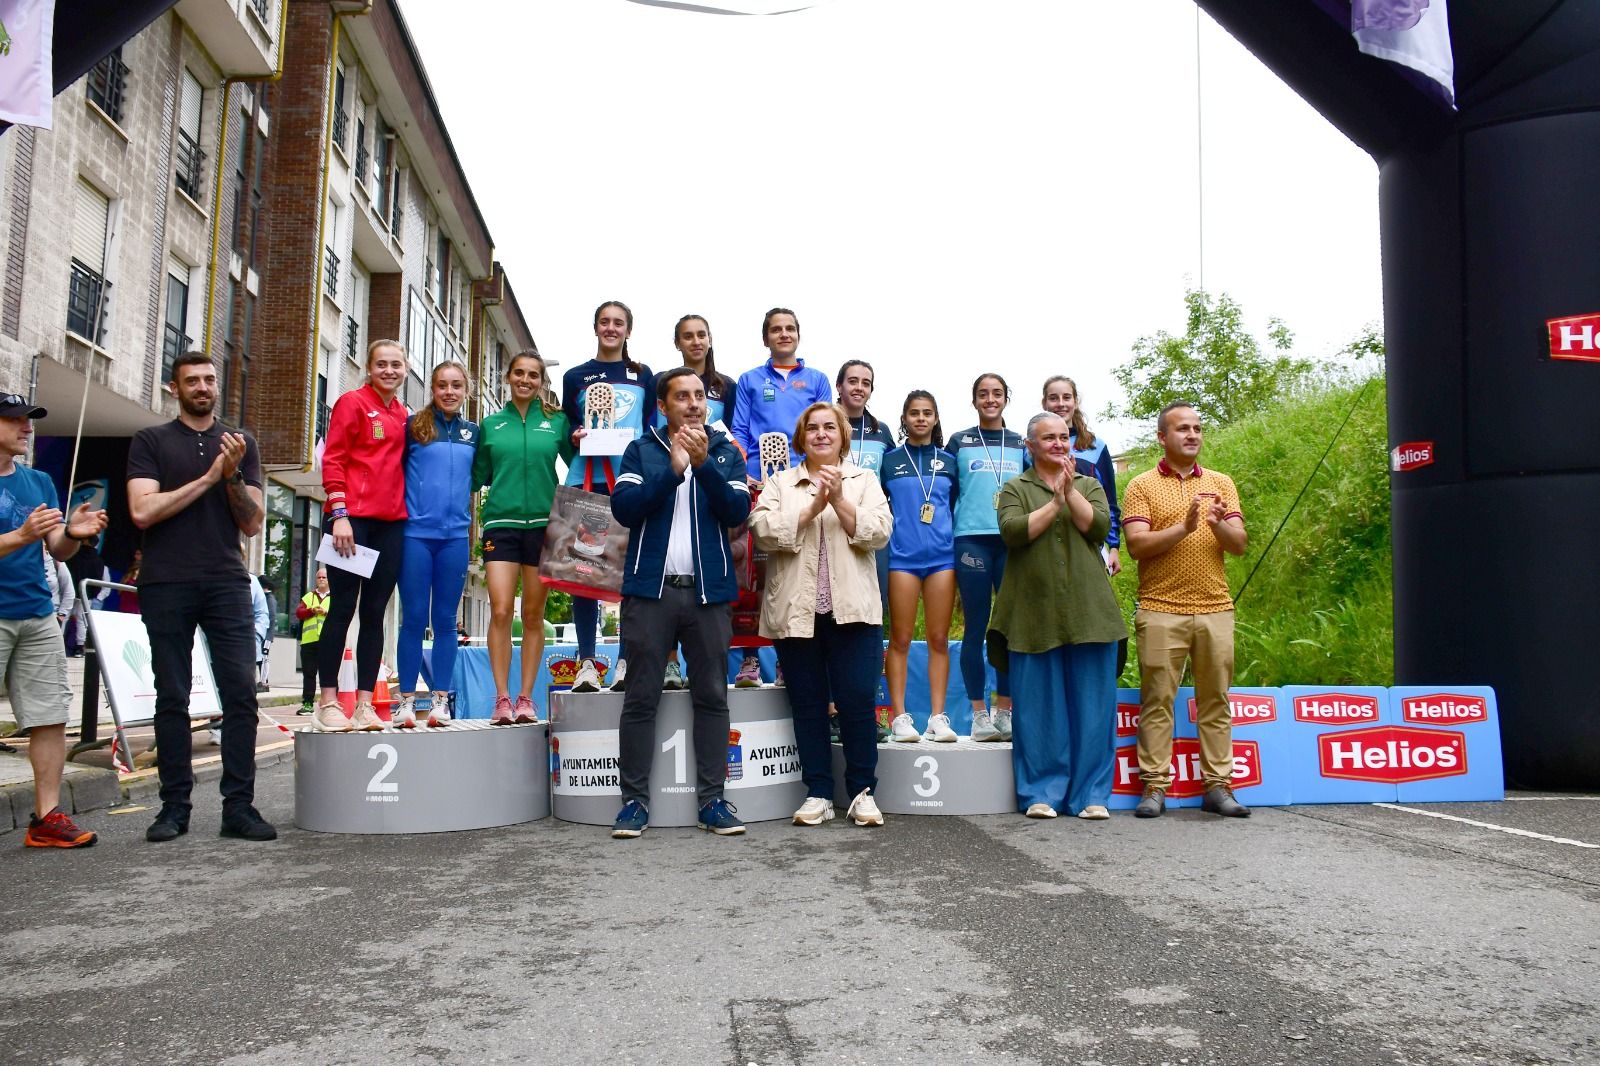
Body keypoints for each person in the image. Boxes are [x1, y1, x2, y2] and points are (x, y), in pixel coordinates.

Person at [126, 352, 275, 842]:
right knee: (172, 696)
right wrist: (210, 477)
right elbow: (143, 512)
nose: (203, 387)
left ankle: (239, 807)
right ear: (175, 388)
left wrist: (230, 474)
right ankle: (174, 808)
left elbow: (252, 524)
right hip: (166, 580)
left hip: (226, 581)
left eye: (210, 379)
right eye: (192, 380)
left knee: (241, 694)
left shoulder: (241, 444)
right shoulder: (151, 441)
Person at [607, 368, 753, 838]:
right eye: (682, 397)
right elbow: (624, 508)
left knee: (712, 695)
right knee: (640, 697)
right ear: (663, 405)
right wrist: (672, 472)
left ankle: (713, 801)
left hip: (709, 593)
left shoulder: (725, 450)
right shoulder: (643, 448)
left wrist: (703, 464)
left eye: (699, 397)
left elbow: (736, 512)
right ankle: (633, 802)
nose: (693, 403)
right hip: (651, 591)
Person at [750, 401, 892, 828]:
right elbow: (762, 530)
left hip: (855, 614)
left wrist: (840, 501)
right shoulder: (779, 482)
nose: (822, 434)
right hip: (798, 613)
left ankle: (863, 792)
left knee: (856, 702)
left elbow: (880, 531)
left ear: (843, 436)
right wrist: (812, 507)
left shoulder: (864, 479)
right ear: (801, 437)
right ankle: (818, 792)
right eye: (812, 428)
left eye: (830, 427)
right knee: (808, 705)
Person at [988, 412, 1127, 819]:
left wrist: (1070, 493)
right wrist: (1055, 502)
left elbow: (1098, 527)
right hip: (1031, 614)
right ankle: (1041, 794)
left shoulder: (1090, 484)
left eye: (1063, 437)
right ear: (1029, 446)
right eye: (1047, 438)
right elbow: (1014, 531)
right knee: (1037, 709)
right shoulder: (1015, 488)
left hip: (1090, 614)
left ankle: (1091, 797)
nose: (1058, 444)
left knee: (1093, 708)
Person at [1123, 401, 1251, 819]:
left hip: (1216, 608)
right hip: (1161, 609)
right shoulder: (1140, 485)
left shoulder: (1221, 482)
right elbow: (1137, 546)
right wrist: (1186, 527)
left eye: (1197, 428)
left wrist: (1216, 524)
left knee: (1216, 699)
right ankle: (1155, 787)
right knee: (1158, 699)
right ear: (1162, 437)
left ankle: (1218, 787)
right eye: (1182, 429)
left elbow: (1239, 544)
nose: (1192, 434)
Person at [0, 392, 107, 847]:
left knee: (49, 716)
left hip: (38, 614)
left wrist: (74, 536)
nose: (27, 427)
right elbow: (25, 537)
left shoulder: (40, 480)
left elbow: (55, 549)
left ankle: (46, 818)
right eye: (15, 420)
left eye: (29, 420)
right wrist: (19, 535)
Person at [312, 339, 410, 734]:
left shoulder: (404, 414)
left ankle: (366, 705)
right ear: (369, 368)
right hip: (351, 521)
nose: (389, 370)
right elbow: (333, 458)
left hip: (391, 523)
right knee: (342, 608)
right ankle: (328, 702)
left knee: (375, 614)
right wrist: (340, 514)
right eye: (382, 364)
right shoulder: (351, 403)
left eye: (396, 365)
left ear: (405, 370)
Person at [475, 350, 573, 723]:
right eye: (519, 373)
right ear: (508, 377)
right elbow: (476, 476)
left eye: (533, 375)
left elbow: (578, 462)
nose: (526, 380)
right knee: (500, 609)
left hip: (545, 525)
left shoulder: (557, 421)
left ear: (541, 382)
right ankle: (502, 698)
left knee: (533, 614)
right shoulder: (491, 424)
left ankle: (526, 698)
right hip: (501, 523)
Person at [562, 301, 653, 695]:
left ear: (628, 330)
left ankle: (624, 662)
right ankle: (586, 663)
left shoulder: (644, 374)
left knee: (629, 577)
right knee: (586, 574)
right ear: (595, 327)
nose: (611, 328)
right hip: (592, 481)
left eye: (619, 323)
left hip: (631, 485)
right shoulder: (575, 376)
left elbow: (650, 427)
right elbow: (569, 426)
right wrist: (577, 435)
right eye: (605, 322)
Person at [394, 361, 478, 729]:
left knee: (445, 621)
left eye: (456, 385)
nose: (449, 391)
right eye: (442, 385)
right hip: (414, 536)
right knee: (412, 619)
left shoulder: (474, 433)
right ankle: (407, 703)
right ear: (432, 388)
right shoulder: (413, 428)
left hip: (455, 539)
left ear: (466, 391)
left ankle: (441, 702)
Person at [666, 314, 743, 692]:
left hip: (713, 467)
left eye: (702, 335)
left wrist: (718, 464)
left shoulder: (727, 385)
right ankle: (664, 663)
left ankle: (749, 661)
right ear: (677, 342)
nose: (696, 341)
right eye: (688, 336)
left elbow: (736, 433)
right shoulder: (661, 383)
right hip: (675, 467)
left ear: (711, 339)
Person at [878, 391, 959, 743]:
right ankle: (900, 717)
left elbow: (952, 503)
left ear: (936, 418)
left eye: (927, 413)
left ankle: (938, 718)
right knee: (901, 637)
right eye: (914, 413)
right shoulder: (890, 460)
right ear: (904, 418)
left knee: (939, 638)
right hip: (902, 558)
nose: (921, 419)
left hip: (942, 557)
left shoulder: (950, 460)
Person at [948, 373, 1025, 742]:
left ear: (1006, 398)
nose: (990, 399)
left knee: (1008, 628)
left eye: (997, 393)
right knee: (976, 628)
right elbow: (946, 492)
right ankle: (979, 714)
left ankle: (1005, 710)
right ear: (974, 400)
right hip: (971, 540)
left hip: (1011, 540)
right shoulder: (958, 441)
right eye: (983, 394)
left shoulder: (1020, 442)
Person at [730, 308, 833, 482]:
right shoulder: (748, 379)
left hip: (805, 476)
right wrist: (741, 471)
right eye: (776, 330)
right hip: (758, 477)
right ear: (765, 340)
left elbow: (826, 431)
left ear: (798, 337)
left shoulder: (818, 380)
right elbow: (740, 430)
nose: (784, 334)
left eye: (790, 329)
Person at [294, 568, 331, 715]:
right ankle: (308, 703)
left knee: (327, 673)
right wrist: (312, 611)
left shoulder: (334, 597)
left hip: (328, 641)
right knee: (309, 674)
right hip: (309, 641)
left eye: (324, 577)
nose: (321, 579)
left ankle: (328, 703)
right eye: (319, 577)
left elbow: (340, 615)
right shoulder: (309, 596)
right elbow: (299, 613)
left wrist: (325, 612)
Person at [44, 544, 74, 631]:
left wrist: (60, 616)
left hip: (50, 617)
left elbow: (69, 591)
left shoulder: (55, 562)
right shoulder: (22, 561)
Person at [117, 548, 142, 613]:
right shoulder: (130, 571)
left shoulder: (146, 572)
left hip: (134, 609)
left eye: (138, 554)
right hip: (123, 606)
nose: (135, 556)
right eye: (135, 554)